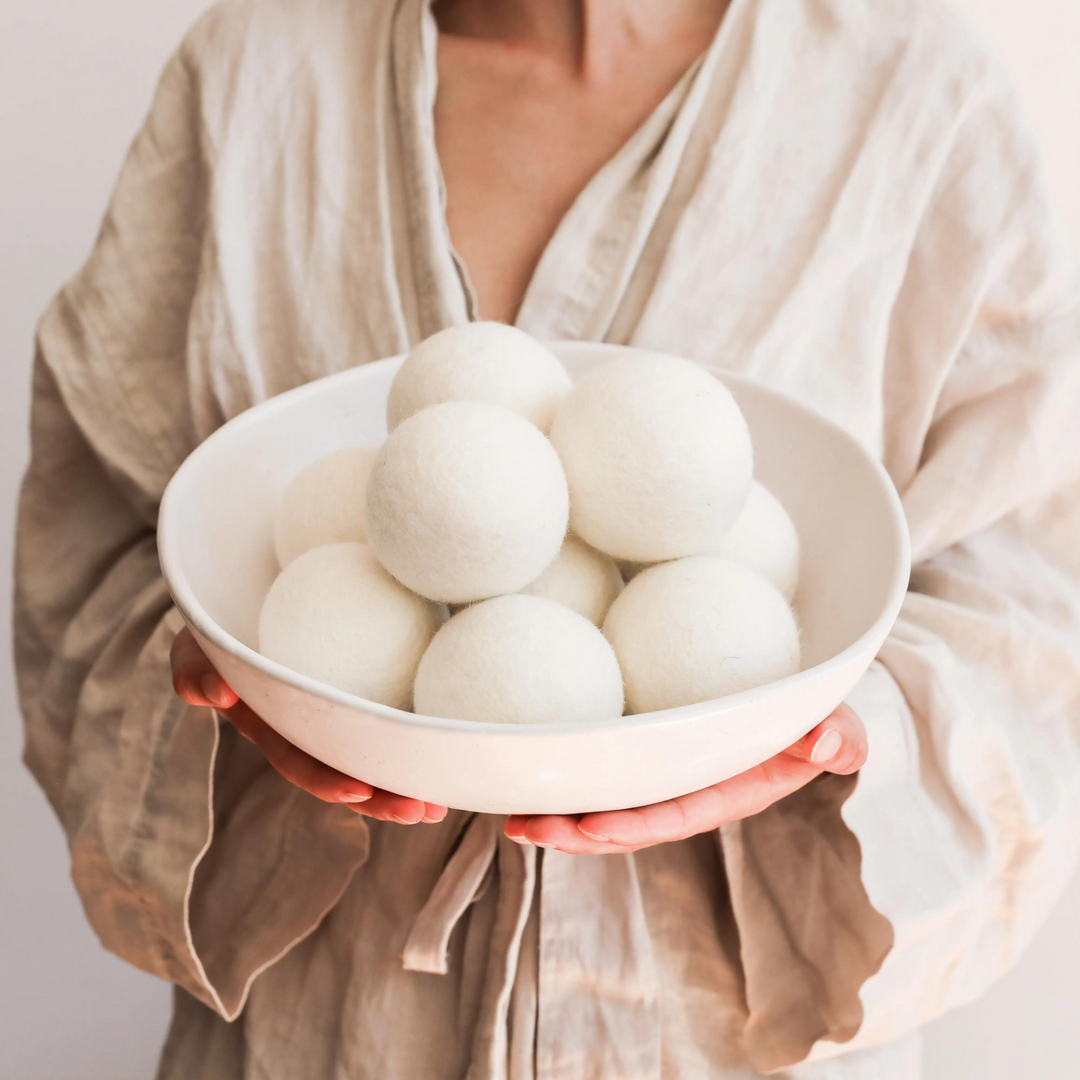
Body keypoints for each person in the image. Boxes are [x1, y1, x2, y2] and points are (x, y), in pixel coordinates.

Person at [14, 0, 1080, 1075]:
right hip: (331, 1038)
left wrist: (855, 732)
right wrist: (222, 678)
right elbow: (89, 546)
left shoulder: (916, 102)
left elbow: (1034, 608)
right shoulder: (252, 77)